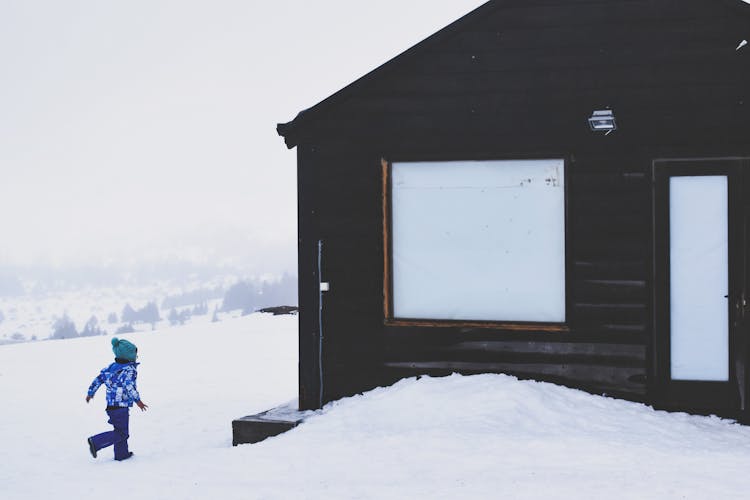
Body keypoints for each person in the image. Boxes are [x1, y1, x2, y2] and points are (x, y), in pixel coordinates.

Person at [85, 337, 148, 461]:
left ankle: (121, 454)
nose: (136, 356)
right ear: (128, 356)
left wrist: (91, 392)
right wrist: (138, 401)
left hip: (111, 406)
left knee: (120, 431)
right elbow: (129, 386)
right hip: (121, 407)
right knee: (122, 433)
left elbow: (98, 379)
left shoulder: (111, 368)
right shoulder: (129, 370)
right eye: (135, 354)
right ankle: (95, 442)